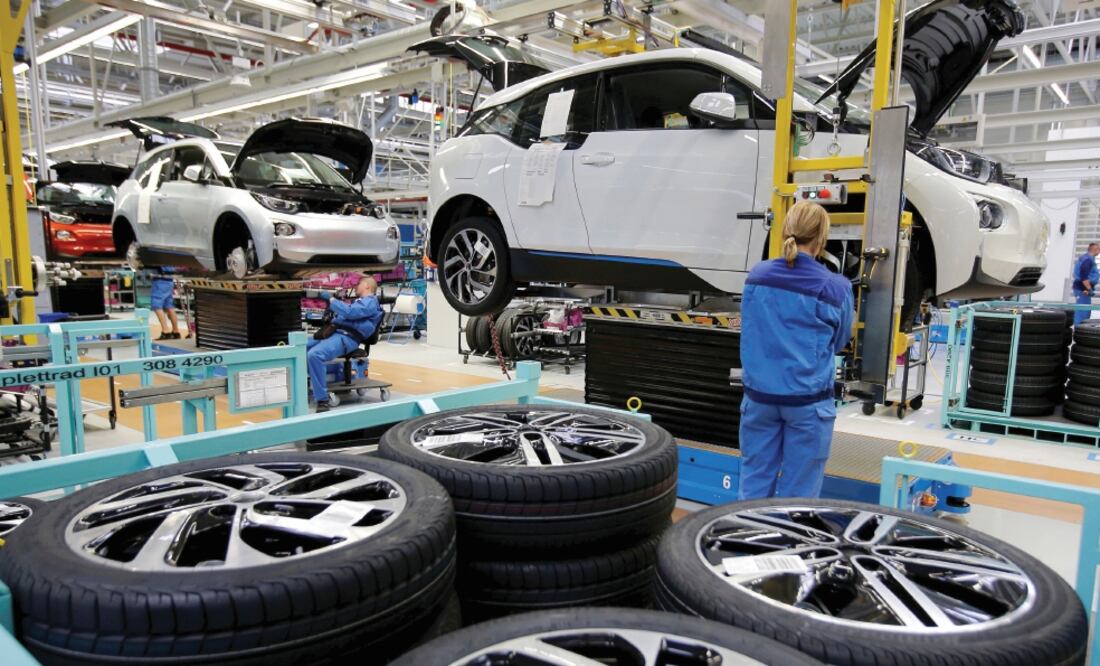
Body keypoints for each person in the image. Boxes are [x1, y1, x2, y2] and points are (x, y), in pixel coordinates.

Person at [738, 201, 854, 499]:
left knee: (753, 482)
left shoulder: (757, 276)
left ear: (784, 230)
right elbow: (839, 342)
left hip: (759, 401)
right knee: (798, 496)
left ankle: (745, 529)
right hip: (807, 406)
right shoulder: (835, 287)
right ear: (822, 238)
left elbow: (751, 328)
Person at [308, 276, 384, 412]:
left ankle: (322, 400)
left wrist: (332, 300)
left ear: (367, 286)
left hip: (347, 338)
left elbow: (350, 312)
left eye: (359, 283)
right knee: (299, 348)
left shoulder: (370, 302)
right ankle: (304, 389)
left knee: (315, 354)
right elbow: (344, 315)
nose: (356, 286)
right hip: (335, 333)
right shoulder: (358, 302)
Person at [150, 274, 185, 340]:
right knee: (169, 306)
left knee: (156, 305)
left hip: (160, 281)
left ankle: (165, 332)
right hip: (169, 282)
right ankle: (176, 332)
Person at [1073, 243, 1100, 326]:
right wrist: (1089, 289)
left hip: (1083, 289)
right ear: (1095, 249)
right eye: (1099, 249)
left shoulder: (1087, 258)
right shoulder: (1087, 260)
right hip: (1083, 289)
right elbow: (1083, 276)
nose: (1099, 251)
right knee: (1082, 312)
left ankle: (1081, 329)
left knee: (1085, 311)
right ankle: (1079, 330)